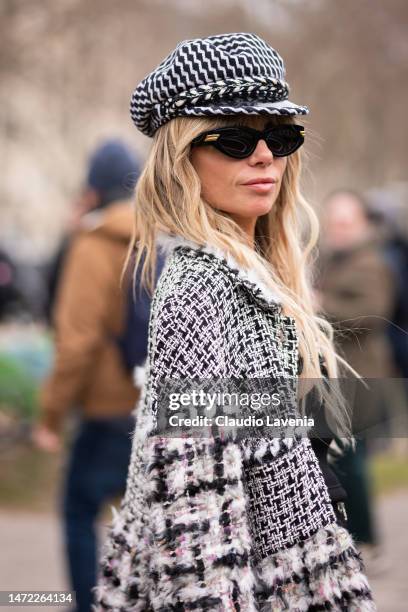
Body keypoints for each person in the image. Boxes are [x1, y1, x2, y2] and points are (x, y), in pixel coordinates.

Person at [94, 34, 375, 610]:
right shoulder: (200, 289)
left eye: (279, 135)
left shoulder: (257, 279)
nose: (265, 155)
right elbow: (196, 523)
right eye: (235, 139)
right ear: (182, 157)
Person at [31, 140, 152, 612]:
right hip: (155, 403)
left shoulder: (92, 242)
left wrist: (50, 417)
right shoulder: (158, 235)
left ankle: (88, 604)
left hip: (106, 407)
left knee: (79, 510)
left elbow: (76, 343)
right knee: (145, 516)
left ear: (94, 187)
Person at [317, 188, 396, 572]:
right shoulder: (333, 260)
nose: (338, 228)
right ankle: (350, 537)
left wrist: (317, 304)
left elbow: (370, 313)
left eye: (346, 221)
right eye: (334, 221)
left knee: (353, 464)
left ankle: (366, 542)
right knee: (342, 460)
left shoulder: (371, 264)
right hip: (337, 378)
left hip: (361, 380)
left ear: (362, 224)